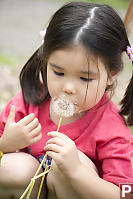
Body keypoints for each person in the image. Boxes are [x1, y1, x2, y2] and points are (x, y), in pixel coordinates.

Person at [0, 1, 133, 199]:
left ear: (112, 75)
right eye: (58, 72)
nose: (68, 88)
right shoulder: (29, 102)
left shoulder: (112, 131)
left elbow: (126, 193)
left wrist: (77, 171)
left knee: (66, 163)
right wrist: (5, 144)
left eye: (85, 78)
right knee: (14, 167)